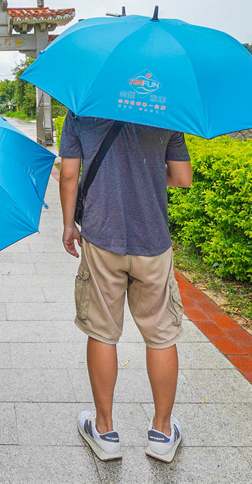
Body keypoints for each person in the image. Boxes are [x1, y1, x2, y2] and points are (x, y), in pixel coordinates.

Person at [58, 113, 193, 463]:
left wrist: (68, 225)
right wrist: (146, 179)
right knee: (161, 335)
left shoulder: (80, 111)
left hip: (102, 237)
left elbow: (69, 174)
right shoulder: (165, 110)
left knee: (102, 331)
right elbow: (182, 178)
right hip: (153, 241)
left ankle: (104, 431)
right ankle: (162, 433)